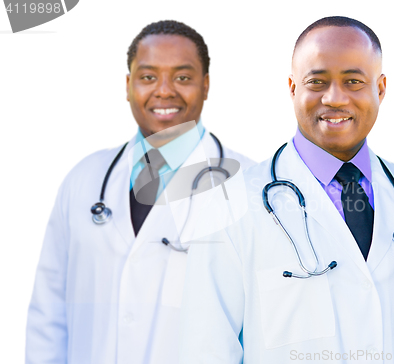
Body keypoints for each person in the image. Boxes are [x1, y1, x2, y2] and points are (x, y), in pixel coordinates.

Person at [179, 16, 394, 363]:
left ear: (380, 88)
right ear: (293, 88)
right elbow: (205, 351)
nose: (335, 98)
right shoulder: (230, 207)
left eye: (353, 81)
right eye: (317, 81)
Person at [25, 20, 254, 364]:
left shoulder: (250, 185)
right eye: (148, 77)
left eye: (183, 77)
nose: (164, 91)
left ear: (206, 85)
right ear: (128, 85)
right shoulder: (84, 179)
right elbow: (48, 312)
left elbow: (267, 325)